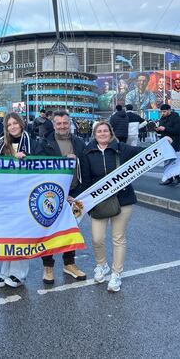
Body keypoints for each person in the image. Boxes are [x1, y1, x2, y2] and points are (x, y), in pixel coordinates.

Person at [81, 121, 149, 292]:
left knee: (118, 238)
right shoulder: (87, 152)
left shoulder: (121, 148)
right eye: (99, 131)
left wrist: (163, 144)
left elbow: (146, 153)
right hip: (99, 202)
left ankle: (116, 273)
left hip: (123, 200)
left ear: (111, 133)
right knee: (97, 238)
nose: (103, 133)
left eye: (106, 131)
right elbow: (86, 180)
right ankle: (101, 265)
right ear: (94, 134)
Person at [36, 110, 87, 284]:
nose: (62, 126)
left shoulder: (79, 143)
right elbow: (39, 167)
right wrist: (63, 159)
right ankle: (48, 266)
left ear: (69, 123)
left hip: (73, 194)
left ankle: (69, 263)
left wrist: (77, 193)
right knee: (48, 230)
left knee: (71, 230)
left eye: (65, 123)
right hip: (51, 195)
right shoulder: (44, 143)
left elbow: (85, 168)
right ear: (53, 124)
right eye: (59, 123)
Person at [0, 112, 38, 288]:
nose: (12, 127)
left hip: (25, 195)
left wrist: (26, 160)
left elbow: (42, 165)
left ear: (21, 123)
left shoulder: (33, 142)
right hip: (6, 195)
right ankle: (5, 272)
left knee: (22, 235)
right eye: (9, 124)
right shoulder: (0, 143)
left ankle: (18, 274)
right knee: (8, 235)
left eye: (15, 123)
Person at [156, 104, 180, 185]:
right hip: (165, 142)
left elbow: (177, 131)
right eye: (162, 112)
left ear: (169, 110)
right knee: (166, 161)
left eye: (164, 111)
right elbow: (161, 129)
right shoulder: (162, 118)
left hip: (174, 142)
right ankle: (168, 178)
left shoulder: (176, 118)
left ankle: (177, 178)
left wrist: (165, 128)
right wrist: (158, 130)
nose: (163, 113)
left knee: (174, 161)